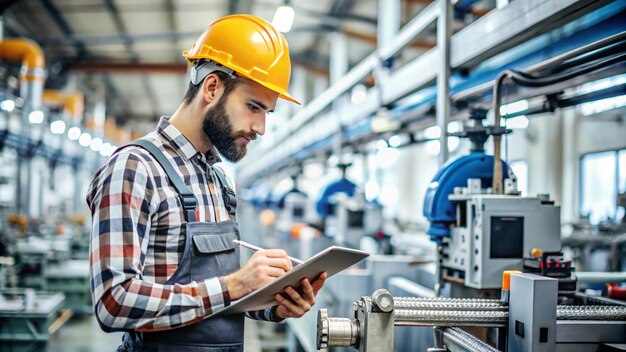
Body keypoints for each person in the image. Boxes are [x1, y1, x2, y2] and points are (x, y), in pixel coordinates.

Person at [86, 14, 327, 352]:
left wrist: (272, 305)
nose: (260, 127)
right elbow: (114, 302)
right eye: (253, 106)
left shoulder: (217, 179)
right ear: (212, 88)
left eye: (267, 113)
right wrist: (235, 284)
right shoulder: (135, 169)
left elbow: (215, 303)